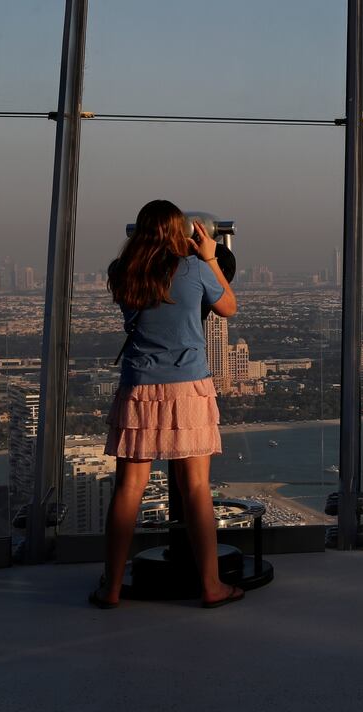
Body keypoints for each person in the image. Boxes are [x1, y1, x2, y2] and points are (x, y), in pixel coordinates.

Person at [89, 199, 243, 609]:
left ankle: (113, 587)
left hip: (139, 389)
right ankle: (211, 586)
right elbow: (228, 307)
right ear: (182, 232)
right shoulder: (193, 268)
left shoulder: (121, 272)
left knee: (128, 490)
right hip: (188, 388)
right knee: (195, 488)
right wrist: (209, 257)